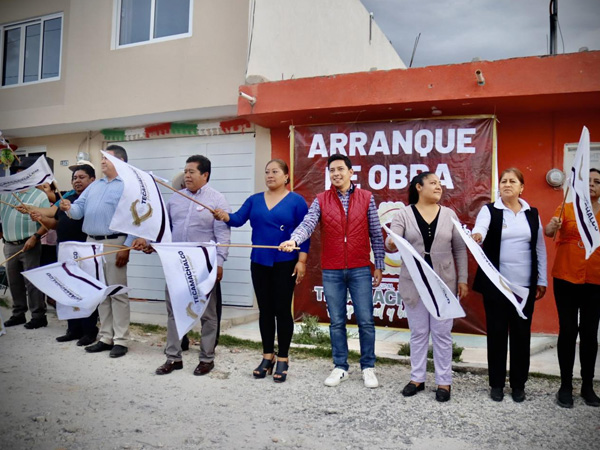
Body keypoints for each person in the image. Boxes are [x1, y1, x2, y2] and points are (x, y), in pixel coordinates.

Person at [280, 154, 384, 389]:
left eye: (340, 169)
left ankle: (368, 367)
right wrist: (294, 240)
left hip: (360, 268)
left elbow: (376, 233)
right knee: (336, 321)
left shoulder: (366, 198)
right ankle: (340, 366)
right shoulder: (321, 199)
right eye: (332, 170)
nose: (336, 174)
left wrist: (379, 264)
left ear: (350, 172)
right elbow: (308, 223)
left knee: (366, 321)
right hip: (332, 269)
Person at [213, 159, 309, 383]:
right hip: (259, 261)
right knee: (265, 310)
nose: (270, 175)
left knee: (282, 310)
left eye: (275, 171)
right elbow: (237, 219)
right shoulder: (254, 200)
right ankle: (267, 356)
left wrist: (302, 261)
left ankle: (283, 357)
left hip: (285, 262)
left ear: (286, 176)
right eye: (267, 172)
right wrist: (224, 215)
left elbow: (304, 233)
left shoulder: (297, 201)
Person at [134, 155, 231, 376]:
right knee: (174, 312)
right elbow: (163, 229)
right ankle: (173, 357)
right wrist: (149, 243)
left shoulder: (217, 200)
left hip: (203, 266)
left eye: (191, 172)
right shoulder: (176, 198)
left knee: (208, 315)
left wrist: (220, 262)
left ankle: (206, 358)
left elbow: (223, 235)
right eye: (185, 171)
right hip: (177, 265)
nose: (186, 175)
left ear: (205, 175)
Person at [385, 172, 468, 402]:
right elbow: (393, 239)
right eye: (433, 183)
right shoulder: (404, 214)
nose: (438, 187)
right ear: (419, 187)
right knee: (419, 332)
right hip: (415, 283)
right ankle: (417, 379)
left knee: (442, 333)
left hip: (444, 283)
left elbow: (460, 249)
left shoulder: (449, 214)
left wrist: (462, 279)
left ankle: (444, 382)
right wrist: (391, 242)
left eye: (440, 184)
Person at [472, 167, 547, 403]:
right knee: (496, 335)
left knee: (521, 336)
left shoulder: (532, 214)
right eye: (503, 181)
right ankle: (496, 384)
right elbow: (481, 229)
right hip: (498, 286)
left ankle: (518, 385)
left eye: (512, 181)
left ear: (521, 187)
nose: (507, 184)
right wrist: (477, 236)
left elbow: (540, 248)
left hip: (524, 288)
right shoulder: (490, 210)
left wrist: (541, 279)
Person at [60, 145, 134, 358]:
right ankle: (106, 337)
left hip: (115, 243)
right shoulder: (95, 186)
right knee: (100, 292)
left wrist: (127, 245)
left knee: (117, 293)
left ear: (120, 161)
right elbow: (78, 211)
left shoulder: (129, 186)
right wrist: (68, 208)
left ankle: (121, 340)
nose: (102, 162)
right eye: (102, 158)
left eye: (106, 158)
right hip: (91, 243)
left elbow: (136, 217)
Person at [544, 168, 600, 408]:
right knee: (568, 330)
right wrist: (553, 225)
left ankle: (588, 385)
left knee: (589, 333)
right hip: (566, 277)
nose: (592, 184)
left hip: (595, 280)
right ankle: (565, 385)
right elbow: (548, 232)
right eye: (588, 181)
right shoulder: (567, 208)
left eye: (597, 182)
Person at [31, 164, 98, 346]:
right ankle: (73, 329)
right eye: (74, 178)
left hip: (84, 249)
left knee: (85, 290)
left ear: (92, 179)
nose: (77, 181)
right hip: (64, 249)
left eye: (81, 177)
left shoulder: (92, 198)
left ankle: (89, 330)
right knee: (68, 289)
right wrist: (40, 218)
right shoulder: (66, 197)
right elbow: (55, 223)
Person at [0, 157, 51, 329]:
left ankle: (38, 316)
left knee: (33, 282)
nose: (18, 175)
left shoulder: (39, 195)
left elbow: (47, 222)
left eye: (22, 173)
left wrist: (35, 237)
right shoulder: (6, 194)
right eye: (17, 172)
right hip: (9, 244)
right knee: (14, 282)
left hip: (30, 243)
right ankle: (18, 314)